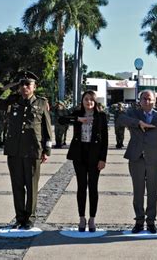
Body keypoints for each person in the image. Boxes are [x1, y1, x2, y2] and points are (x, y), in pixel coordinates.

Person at [0, 71, 53, 229]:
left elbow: (47, 128)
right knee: (17, 185)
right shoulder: (12, 101)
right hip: (14, 150)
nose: (24, 87)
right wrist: (7, 87)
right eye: (21, 84)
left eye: (28, 84)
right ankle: (19, 217)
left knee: (31, 186)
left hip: (33, 150)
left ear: (34, 87)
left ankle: (30, 217)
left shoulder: (41, 103)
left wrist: (46, 150)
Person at [117, 90, 157, 234]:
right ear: (139, 101)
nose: (146, 101)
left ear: (154, 101)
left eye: (149, 99)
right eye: (144, 99)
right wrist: (138, 123)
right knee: (138, 192)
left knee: (153, 192)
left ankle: (151, 221)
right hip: (136, 158)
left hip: (154, 160)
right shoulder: (133, 113)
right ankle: (139, 221)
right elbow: (120, 119)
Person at [58, 90, 108, 232]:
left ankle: (92, 218)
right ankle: (81, 218)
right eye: (86, 99)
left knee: (93, 187)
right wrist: (78, 119)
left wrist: (103, 159)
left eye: (91, 100)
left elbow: (105, 139)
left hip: (95, 154)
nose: (89, 102)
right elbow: (61, 119)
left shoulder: (101, 116)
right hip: (79, 154)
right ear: (82, 100)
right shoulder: (77, 113)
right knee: (81, 186)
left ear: (95, 102)